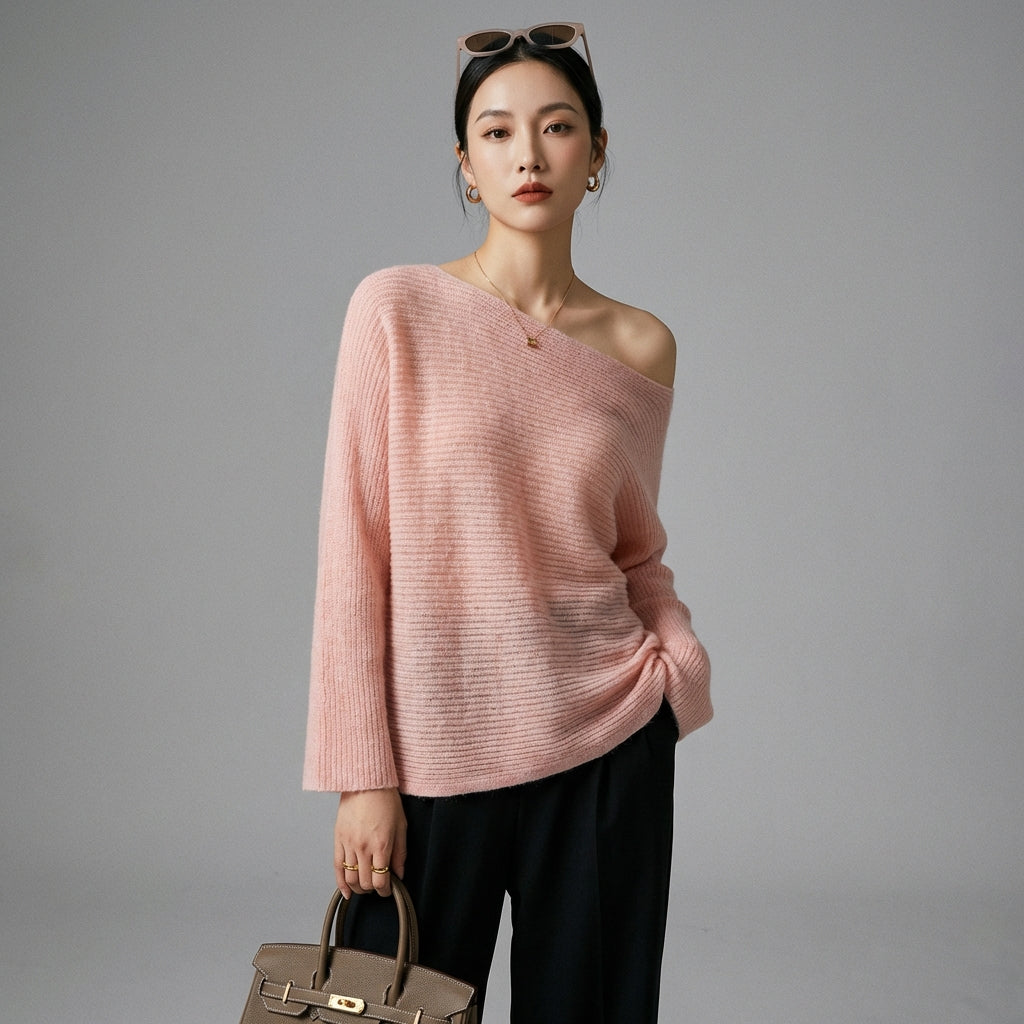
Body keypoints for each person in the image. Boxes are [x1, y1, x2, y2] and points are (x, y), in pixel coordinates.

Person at [303, 22, 712, 1022]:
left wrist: (676, 673)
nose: (528, 154)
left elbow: (633, 550)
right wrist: (362, 777)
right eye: (496, 132)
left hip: (607, 741)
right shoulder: (394, 310)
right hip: (433, 753)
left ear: (596, 153)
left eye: (557, 127)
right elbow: (354, 552)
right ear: (466, 163)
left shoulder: (641, 344)